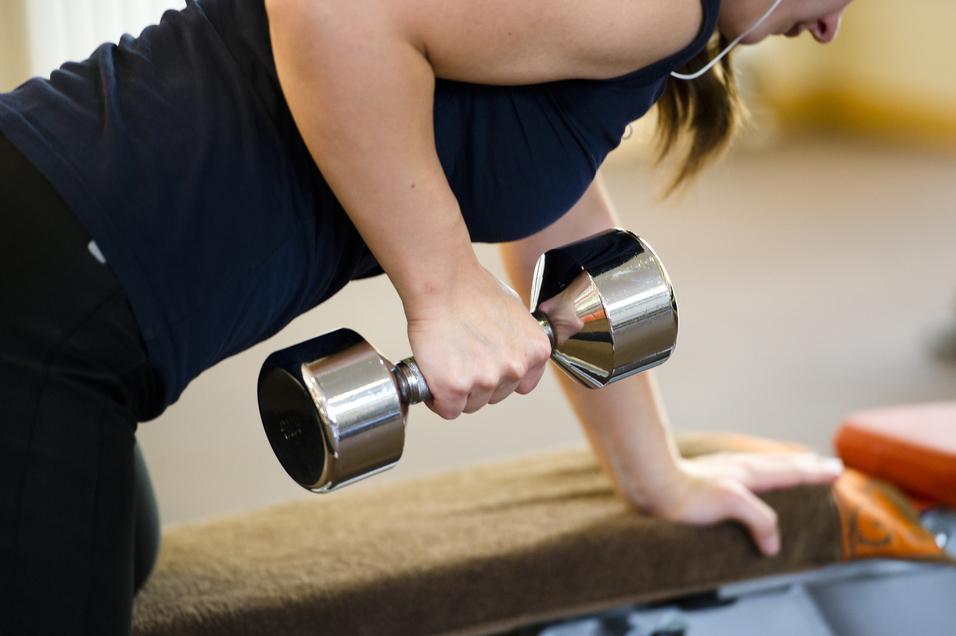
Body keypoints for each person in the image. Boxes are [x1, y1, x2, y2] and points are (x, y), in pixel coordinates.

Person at [0, 0, 853, 632]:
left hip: (69, 280)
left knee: (117, 554)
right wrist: (443, 285)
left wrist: (656, 477)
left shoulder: (660, 27)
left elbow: (557, 220)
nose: (833, 26)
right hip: (47, 290)